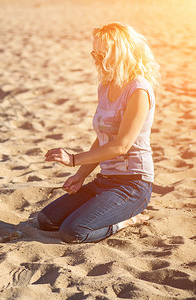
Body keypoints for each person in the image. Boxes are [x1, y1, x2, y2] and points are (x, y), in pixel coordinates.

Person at [38, 22, 160, 243]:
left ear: (119, 53)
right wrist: (80, 175)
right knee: (47, 220)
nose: (96, 58)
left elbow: (120, 146)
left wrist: (73, 159)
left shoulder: (139, 90)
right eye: (94, 52)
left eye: (101, 54)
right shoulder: (106, 86)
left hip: (133, 184)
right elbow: (102, 139)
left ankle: (128, 220)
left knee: (72, 232)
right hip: (105, 180)